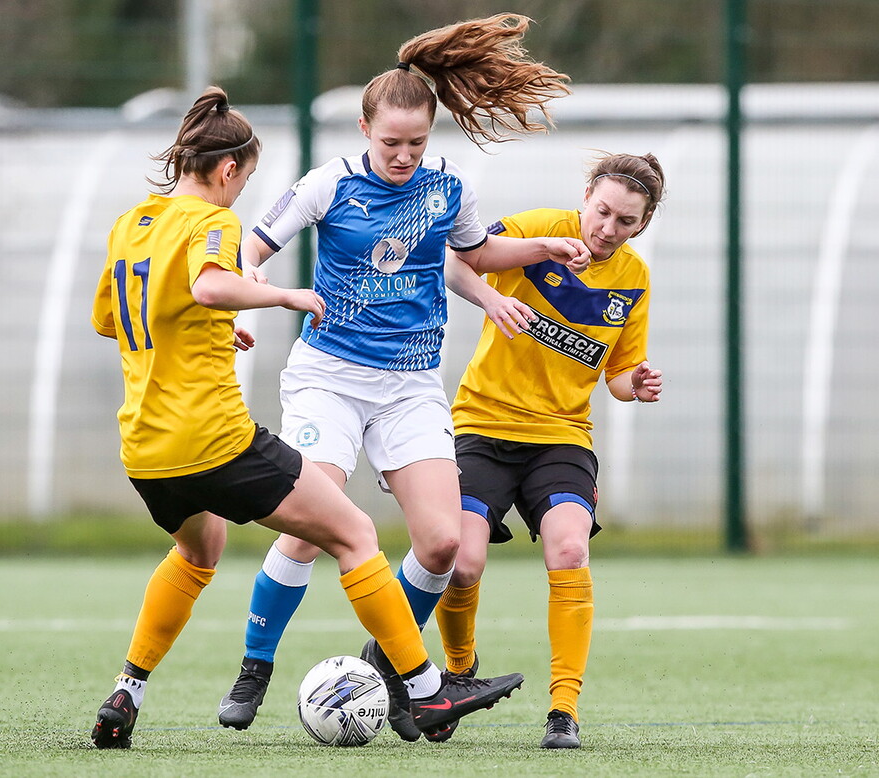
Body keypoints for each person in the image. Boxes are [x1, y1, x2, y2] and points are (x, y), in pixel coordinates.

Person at [88, 86, 526, 750]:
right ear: (230, 170)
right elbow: (211, 282)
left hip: (146, 450)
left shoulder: (131, 224)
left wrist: (207, 327)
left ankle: (129, 688)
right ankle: (426, 688)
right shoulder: (220, 221)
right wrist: (283, 295)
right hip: (219, 440)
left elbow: (111, 318)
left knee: (198, 553)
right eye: (245, 179)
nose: (405, 154)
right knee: (352, 535)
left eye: (417, 143)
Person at [217, 14, 589, 742]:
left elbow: (476, 254)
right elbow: (250, 247)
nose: (403, 154)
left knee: (444, 545)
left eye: (416, 142)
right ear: (364, 128)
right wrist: (252, 292)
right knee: (308, 525)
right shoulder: (328, 185)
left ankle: (390, 662)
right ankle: (253, 669)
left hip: (411, 386)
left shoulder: (448, 189)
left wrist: (546, 245)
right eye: (391, 142)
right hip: (329, 376)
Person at [434, 152, 666, 748]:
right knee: (463, 561)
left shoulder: (634, 278)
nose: (607, 228)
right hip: (482, 424)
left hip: (561, 437)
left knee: (569, 551)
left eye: (625, 221)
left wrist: (634, 386)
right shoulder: (540, 230)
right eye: (603, 211)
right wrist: (490, 299)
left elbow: (617, 373)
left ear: (642, 224)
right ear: (586, 195)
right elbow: (456, 263)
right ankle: (458, 674)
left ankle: (564, 712)